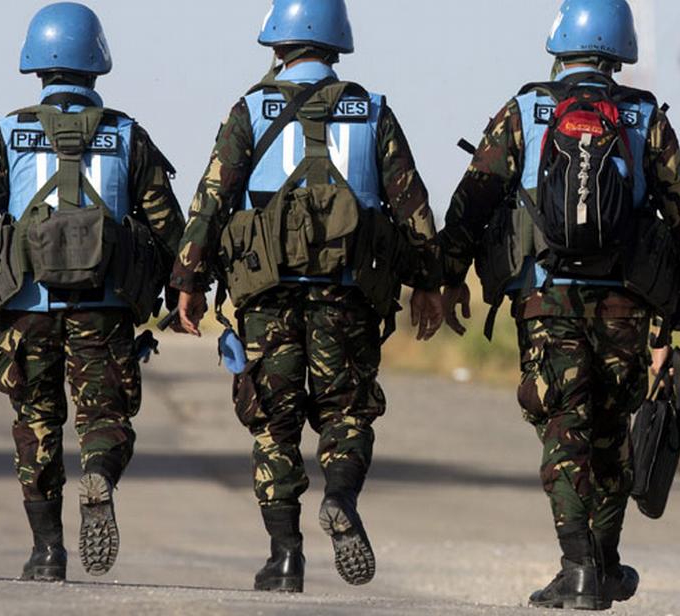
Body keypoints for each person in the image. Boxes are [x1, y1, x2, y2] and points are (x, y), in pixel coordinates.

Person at [439, 0, 680, 609]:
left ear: (561, 42)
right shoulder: (644, 117)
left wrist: (446, 277)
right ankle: (604, 561)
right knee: (611, 429)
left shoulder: (525, 110)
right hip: (624, 302)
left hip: (546, 299)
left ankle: (578, 567)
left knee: (563, 425)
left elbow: (472, 201)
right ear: (620, 48)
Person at [168, 0, 444, 593]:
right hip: (348, 296)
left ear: (276, 44)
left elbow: (211, 201)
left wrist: (188, 281)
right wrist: (429, 283)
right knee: (347, 410)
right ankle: (339, 497)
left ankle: (285, 556)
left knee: (274, 422)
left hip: (268, 298)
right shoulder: (372, 111)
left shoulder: (249, 110)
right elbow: (413, 206)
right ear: (337, 42)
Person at [0, 2, 185, 581]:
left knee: (36, 422)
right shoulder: (128, 136)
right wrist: (184, 295)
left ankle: (46, 552)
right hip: (105, 308)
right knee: (106, 416)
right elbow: (170, 229)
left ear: (35, 63)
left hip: (25, 310)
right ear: (98, 62)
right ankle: (99, 474)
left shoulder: (6, 135)